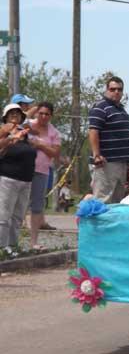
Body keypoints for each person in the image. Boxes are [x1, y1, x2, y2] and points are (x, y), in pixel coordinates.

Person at [88, 77, 129, 203]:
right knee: (103, 200)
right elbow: (93, 131)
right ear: (107, 90)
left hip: (121, 162)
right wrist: (96, 155)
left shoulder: (120, 109)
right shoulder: (100, 107)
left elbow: (122, 129)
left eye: (119, 89)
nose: (116, 92)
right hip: (106, 162)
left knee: (117, 201)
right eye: (113, 89)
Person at [0, 104, 37, 254]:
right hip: (8, 179)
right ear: (5, 117)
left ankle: (13, 246)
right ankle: (2, 248)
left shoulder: (24, 133)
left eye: (18, 113)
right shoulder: (3, 131)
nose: (15, 115)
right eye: (11, 113)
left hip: (25, 181)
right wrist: (10, 138)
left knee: (17, 217)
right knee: (4, 215)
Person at [26, 102, 61, 250]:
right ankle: (10, 241)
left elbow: (55, 153)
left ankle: (33, 242)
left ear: (51, 116)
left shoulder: (54, 132)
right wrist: (34, 108)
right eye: (41, 113)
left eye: (47, 114)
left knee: (37, 207)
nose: (43, 116)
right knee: (17, 205)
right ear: (36, 113)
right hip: (22, 170)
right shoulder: (28, 125)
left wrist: (40, 145)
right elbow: (19, 122)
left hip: (41, 171)